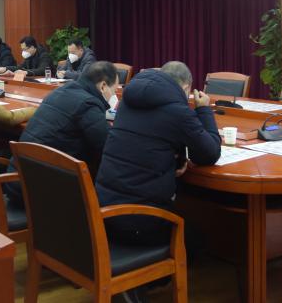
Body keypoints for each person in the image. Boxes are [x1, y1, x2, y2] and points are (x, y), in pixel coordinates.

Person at [95, 62, 221, 247]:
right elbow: (209, 155)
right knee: (199, 242)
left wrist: (177, 160)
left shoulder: (127, 103)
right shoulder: (178, 111)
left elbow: (148, 143)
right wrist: (203, 109)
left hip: (102, 212)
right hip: (138, 220)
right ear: (186, 87)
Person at [4, 61, 118, 206]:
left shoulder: (60, 91)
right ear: (103, 86)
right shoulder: (88, 103)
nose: (114, 96)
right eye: (114, 91)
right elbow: (106, 146)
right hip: (39, 193)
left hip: (17, 181)